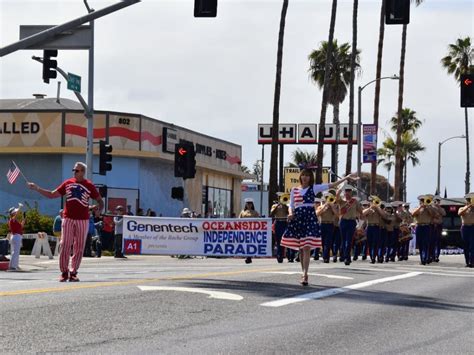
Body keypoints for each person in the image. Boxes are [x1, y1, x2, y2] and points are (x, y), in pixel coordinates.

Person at [28, 162, 104, 282]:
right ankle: (64, 271)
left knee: (79, 246)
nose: (74, 172)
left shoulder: (89, 185)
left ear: (83, 172)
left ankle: (73, 272)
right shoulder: (68, 183)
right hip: (68, 218)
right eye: (74, 170)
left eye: (77, 170)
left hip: (83, 220)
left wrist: (99, 210)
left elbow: (100, 201)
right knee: (64, 244)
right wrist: (37, 188)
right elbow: (52, 194)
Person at [281, 169, 356, 285]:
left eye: (308, 176)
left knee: (306, 247)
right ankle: (303, 272)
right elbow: (291, 205)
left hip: (310, 218)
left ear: (311, 178)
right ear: (300, 177)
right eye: (303, 175)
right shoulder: (294, 190)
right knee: (301, 248)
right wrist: (290, 213)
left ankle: (305, 274)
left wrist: (346, 178)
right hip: (298, 219)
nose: (305, 177)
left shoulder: (314, 188)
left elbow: (331, 185)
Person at [336, 185, 363, 266]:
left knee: (349, 241)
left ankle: (347, 257)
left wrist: (360, 224)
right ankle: (346, 257)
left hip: (351, 222)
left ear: (351, 192)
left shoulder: (355, 201)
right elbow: (337, 195)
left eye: (349, 190)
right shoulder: (341, 200)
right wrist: (341, 187)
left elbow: (361, 211)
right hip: (343, 221)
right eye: (346, 190)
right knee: (344, 241)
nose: (347, 192)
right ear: (344, 192)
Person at [412, 195, 434, 265]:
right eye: (421, 201)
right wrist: (420, 208)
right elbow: (413, 214)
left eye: (424, 201)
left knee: (426, 243)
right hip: (419, 227)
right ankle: (422, 258)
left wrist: (427, 208)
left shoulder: (429, 208)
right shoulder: (417, 208)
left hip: (426, 227)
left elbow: (433, 215)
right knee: (420, 244)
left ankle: (426, 258)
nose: (423, 202)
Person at [316, 192, 338, 263]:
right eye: (326, 198)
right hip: (322, 225)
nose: (327, 199)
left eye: (328, 198)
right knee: (323, 242)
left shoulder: (333, 206)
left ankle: (326, 257)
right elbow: (317, 214)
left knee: (328, 242)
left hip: (330, 225)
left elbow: (337, 214)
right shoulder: (320, 207)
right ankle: (325, 256)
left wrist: (331, 206)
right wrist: (324, 207)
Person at [239, 198, 260, 264]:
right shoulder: (242, 212)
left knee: (250, 243)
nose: (249, 205)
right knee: (245, 243)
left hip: (252, 230)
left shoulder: (255, 212)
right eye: (247, 203)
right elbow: (238, 220)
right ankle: (247, 256)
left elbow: (258, 221)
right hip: (244, 230)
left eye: (250, 203)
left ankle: (249, 257)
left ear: (252, 204)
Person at [270, 195, 289, 263]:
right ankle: (279, 256)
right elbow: (271, 213)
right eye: (280, 198)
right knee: (278, 241)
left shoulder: (286, 206)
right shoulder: (274, 206)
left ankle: (284, 255)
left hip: (284, 223)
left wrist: (285, 206)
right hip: (278, 223)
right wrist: (277, 206)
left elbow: (288, 213)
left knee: (284, 240)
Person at [458, 193, 474, 268]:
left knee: (472, 246)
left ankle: (472, 262)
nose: (470, 202)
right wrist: (468, 207)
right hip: (465, 228)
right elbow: (460, 213)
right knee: (466, 246)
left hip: (472, 228)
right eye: (469, 200)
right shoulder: (462, 208)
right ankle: (467, 262)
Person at [7, 206, 25, 271]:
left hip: (16, 236)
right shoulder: (12, 220)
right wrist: (20, 207)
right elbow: (16, 215)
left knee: (15, 252)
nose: (16, 213)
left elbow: (21, 226)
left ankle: (14, 266)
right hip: (16, 237)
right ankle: (13, 266)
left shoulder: (14, 221)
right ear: (13, 213)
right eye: (15, 212)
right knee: (15, 252)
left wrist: (23, 220)